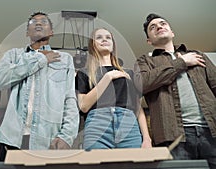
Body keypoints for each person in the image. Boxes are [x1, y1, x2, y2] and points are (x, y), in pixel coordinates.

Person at [134, 13, 216, 168]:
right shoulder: (145, 61)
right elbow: (142, 84)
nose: (159, 26)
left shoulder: (198, 55)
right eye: (153, 27)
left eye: (163, 24)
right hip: (172, 136)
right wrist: (182, 62)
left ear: (172, 32)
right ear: (149, 40)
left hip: (211, 131)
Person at [0, 12, 79, 159]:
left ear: (51, 32)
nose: (38, 24)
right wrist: (40, 59)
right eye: (34, 22)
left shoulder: (64, 59)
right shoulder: (13, 55)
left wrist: (67, 135)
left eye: (44, 22)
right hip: (13, 139)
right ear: (27, 32)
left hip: (48, 140)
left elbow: (70, 98)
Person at [75, 28, 152, 150]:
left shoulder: (128, 74)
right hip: (97, 125)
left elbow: (138, 108)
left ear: (113, 45)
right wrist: (108, 77)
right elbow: (84, 106)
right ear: (92, 45)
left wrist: (147, 138)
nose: (104, 39)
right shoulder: (84, 73)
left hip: (128, 125)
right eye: (99, 37)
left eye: (108, 37)